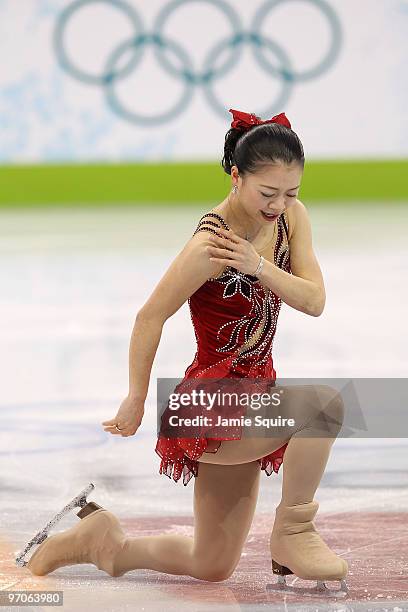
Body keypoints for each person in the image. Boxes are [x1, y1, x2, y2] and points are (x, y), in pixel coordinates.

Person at [22, 108, 348, 596]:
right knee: (323, 405)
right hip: (210, 403)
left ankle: (102, 542)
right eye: (267, 193)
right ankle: (293, 532)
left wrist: (258, 265)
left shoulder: (289, 221)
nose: (280, 204)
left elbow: (314, 300)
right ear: (236, 177)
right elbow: (149, 316)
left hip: (256, 397)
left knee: (211, 563)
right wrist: (136, 396)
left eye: (291, 193)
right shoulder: (208, 246)